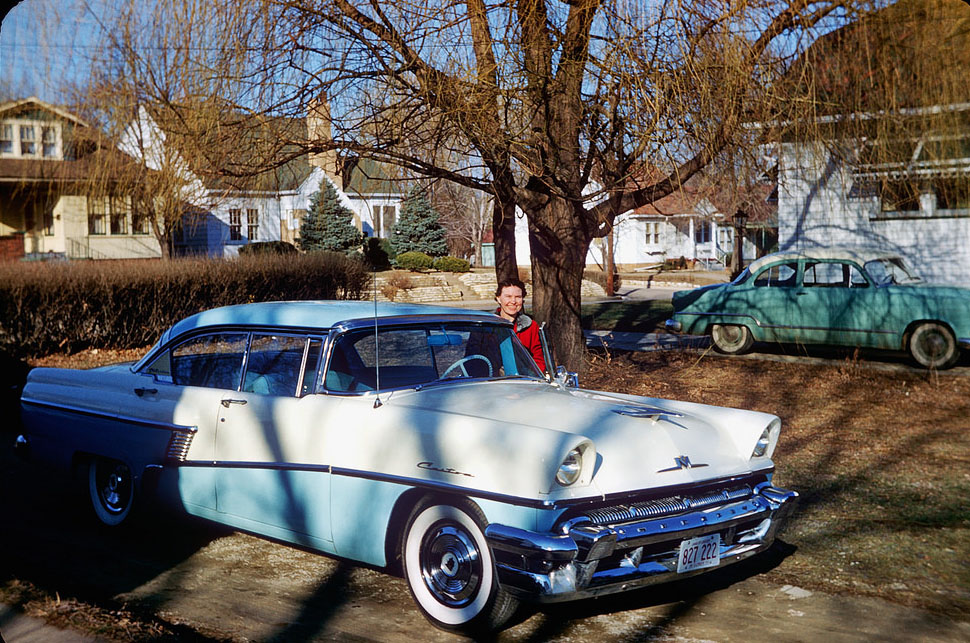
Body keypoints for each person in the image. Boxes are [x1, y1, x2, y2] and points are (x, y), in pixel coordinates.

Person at [494, 278, 546, 372]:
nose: (513, 301)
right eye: (508, 296)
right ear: (498, 299)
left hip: (523, 380)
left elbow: (539, 359)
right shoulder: (485, 325)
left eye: (518, 297)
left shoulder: (531, 326)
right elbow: (473, 358)